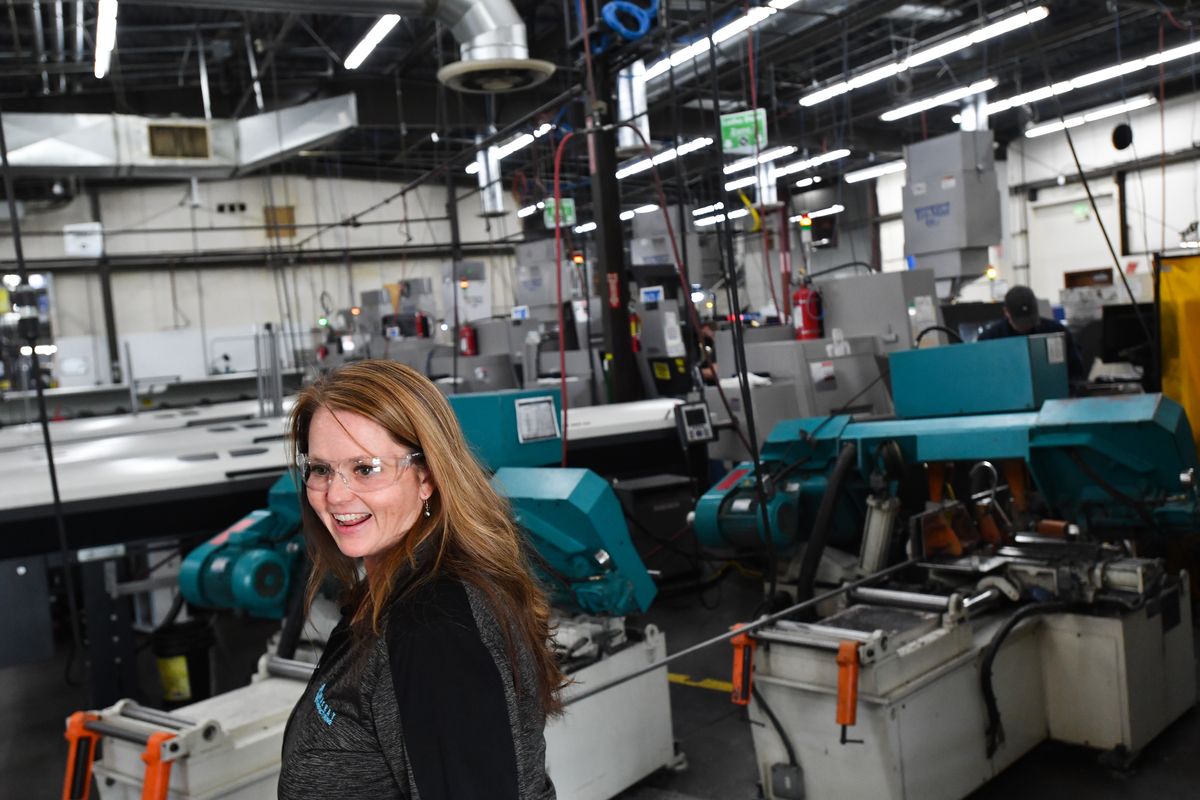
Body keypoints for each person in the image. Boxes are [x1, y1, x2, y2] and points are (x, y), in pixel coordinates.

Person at [278, 360, 563, 800]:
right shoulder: (390, 593)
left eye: (365, 468)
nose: (335, 495)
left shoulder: (434, 628)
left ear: (426, 476)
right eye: (320, 469)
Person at [977, 285, 1085, 383]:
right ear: (1006, 312)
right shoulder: (989, 340)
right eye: (1021, 322)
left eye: (1030, 320)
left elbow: (1076, 373)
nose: (1026, 326)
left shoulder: (1057, 332)